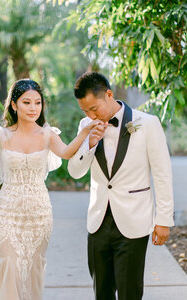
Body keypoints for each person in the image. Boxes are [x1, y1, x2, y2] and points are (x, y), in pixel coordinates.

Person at [0, 79, 100, 300]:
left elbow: (67, 152)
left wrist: (85, 133)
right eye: (26, 102)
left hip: (39, 213)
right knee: (10, 268)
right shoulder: (0, 136)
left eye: (37, 103)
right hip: (7, 212)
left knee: (33, 270)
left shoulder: (48, 134)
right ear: (14, 105)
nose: (33, 108)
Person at [67, 72, 174, 300]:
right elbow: (75, 172)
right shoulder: (86, 126)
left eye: (94, 109)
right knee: (102, 292)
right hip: (98, 223)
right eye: (85, 111)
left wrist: (163, 220)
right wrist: (89, 144)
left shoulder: (147, 124)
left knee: (129, 292)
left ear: (108, 94)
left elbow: (162, 175)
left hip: (134, 221)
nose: (90, 115)